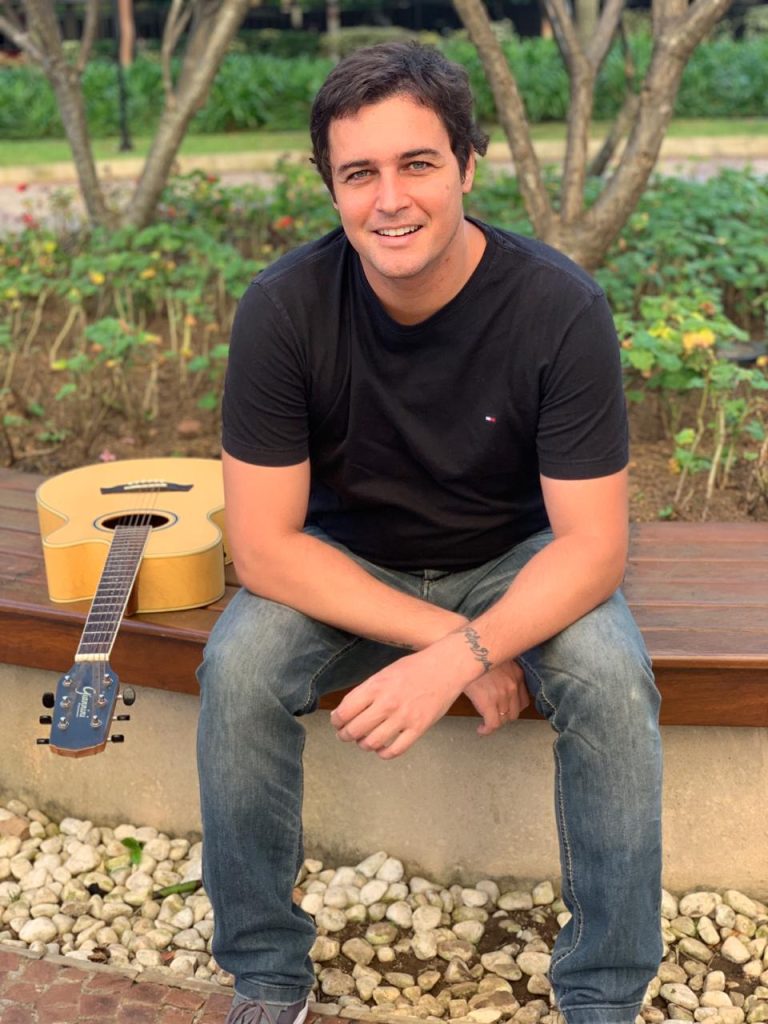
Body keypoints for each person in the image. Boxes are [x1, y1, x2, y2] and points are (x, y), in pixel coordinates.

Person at [196, 41, 663, 1024]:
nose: (390, 200)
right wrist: (451, 645)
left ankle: (604, 994)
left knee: (613, 679)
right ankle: (266, 973)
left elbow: (593, 547)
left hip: (516, 560)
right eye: (359, 173)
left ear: (467, 166)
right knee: (237, 668)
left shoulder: (559, 308)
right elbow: (265, 547)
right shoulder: (283, 309)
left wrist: (471, 646)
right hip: (347, 564)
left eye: (418, 163)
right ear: (330, 186)